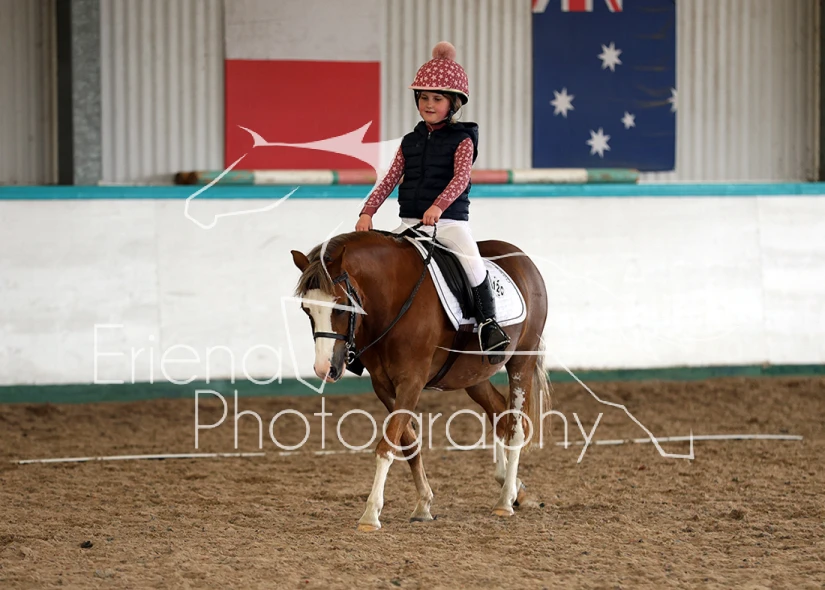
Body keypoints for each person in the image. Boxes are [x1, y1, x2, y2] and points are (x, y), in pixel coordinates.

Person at [354, 41, 510, 364]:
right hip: (410, 224)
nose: (429, 104)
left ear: (453, 103)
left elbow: (461, 179)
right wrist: (368, 211)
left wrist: (439, 207)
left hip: (449, 223)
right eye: (424, 97)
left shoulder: (463, 140)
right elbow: (390, 178)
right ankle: (362, 340)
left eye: (437, 99)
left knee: (472, 262)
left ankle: (489, 324)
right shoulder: (409, 142)